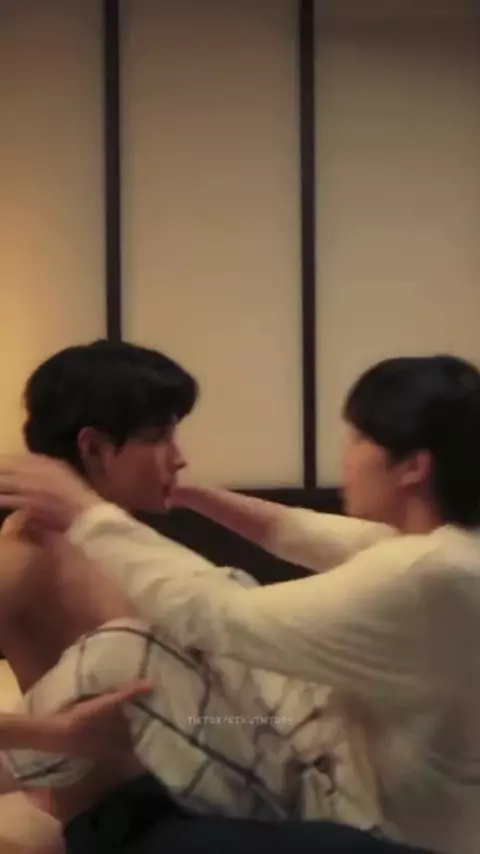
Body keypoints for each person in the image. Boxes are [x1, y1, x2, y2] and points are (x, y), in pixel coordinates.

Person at [1, 353, 479, 854]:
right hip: (123, 809)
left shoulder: (429, 568)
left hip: (210, 794)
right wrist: (46, 734)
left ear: (414, 467)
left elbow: (225, 611)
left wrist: (90, 511)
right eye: (160, 437)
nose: (179, 458)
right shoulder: (28, 554)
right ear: (96, 448)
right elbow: (295, 539)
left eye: (359, 438)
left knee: (229, 592)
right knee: (129, 646)